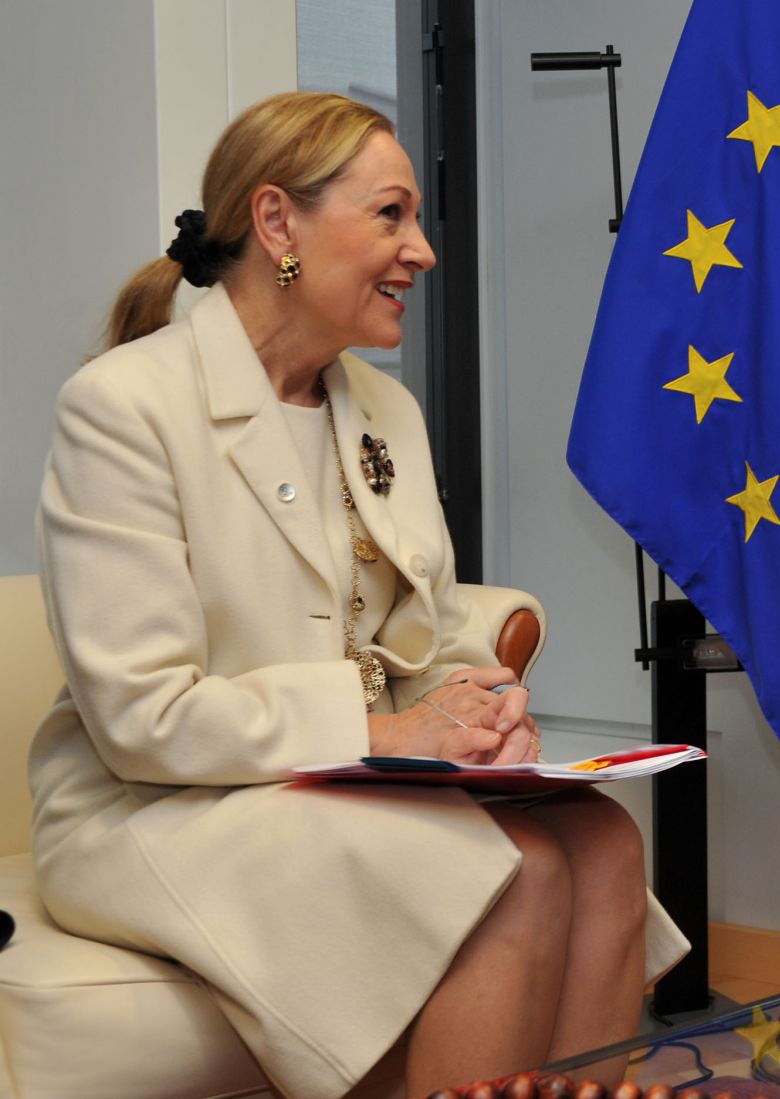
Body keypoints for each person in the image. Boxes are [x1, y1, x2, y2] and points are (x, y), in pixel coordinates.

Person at [30, 92, 687, 1099]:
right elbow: (141, 719)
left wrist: (477, 709)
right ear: (277, 223)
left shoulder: (384, 408)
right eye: (391, 215)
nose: (421, 250)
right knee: (508, 877)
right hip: (156, 802)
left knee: (601, 840)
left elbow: (412, 633)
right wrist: (387, 734)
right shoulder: (123, 408)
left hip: (330, 777)